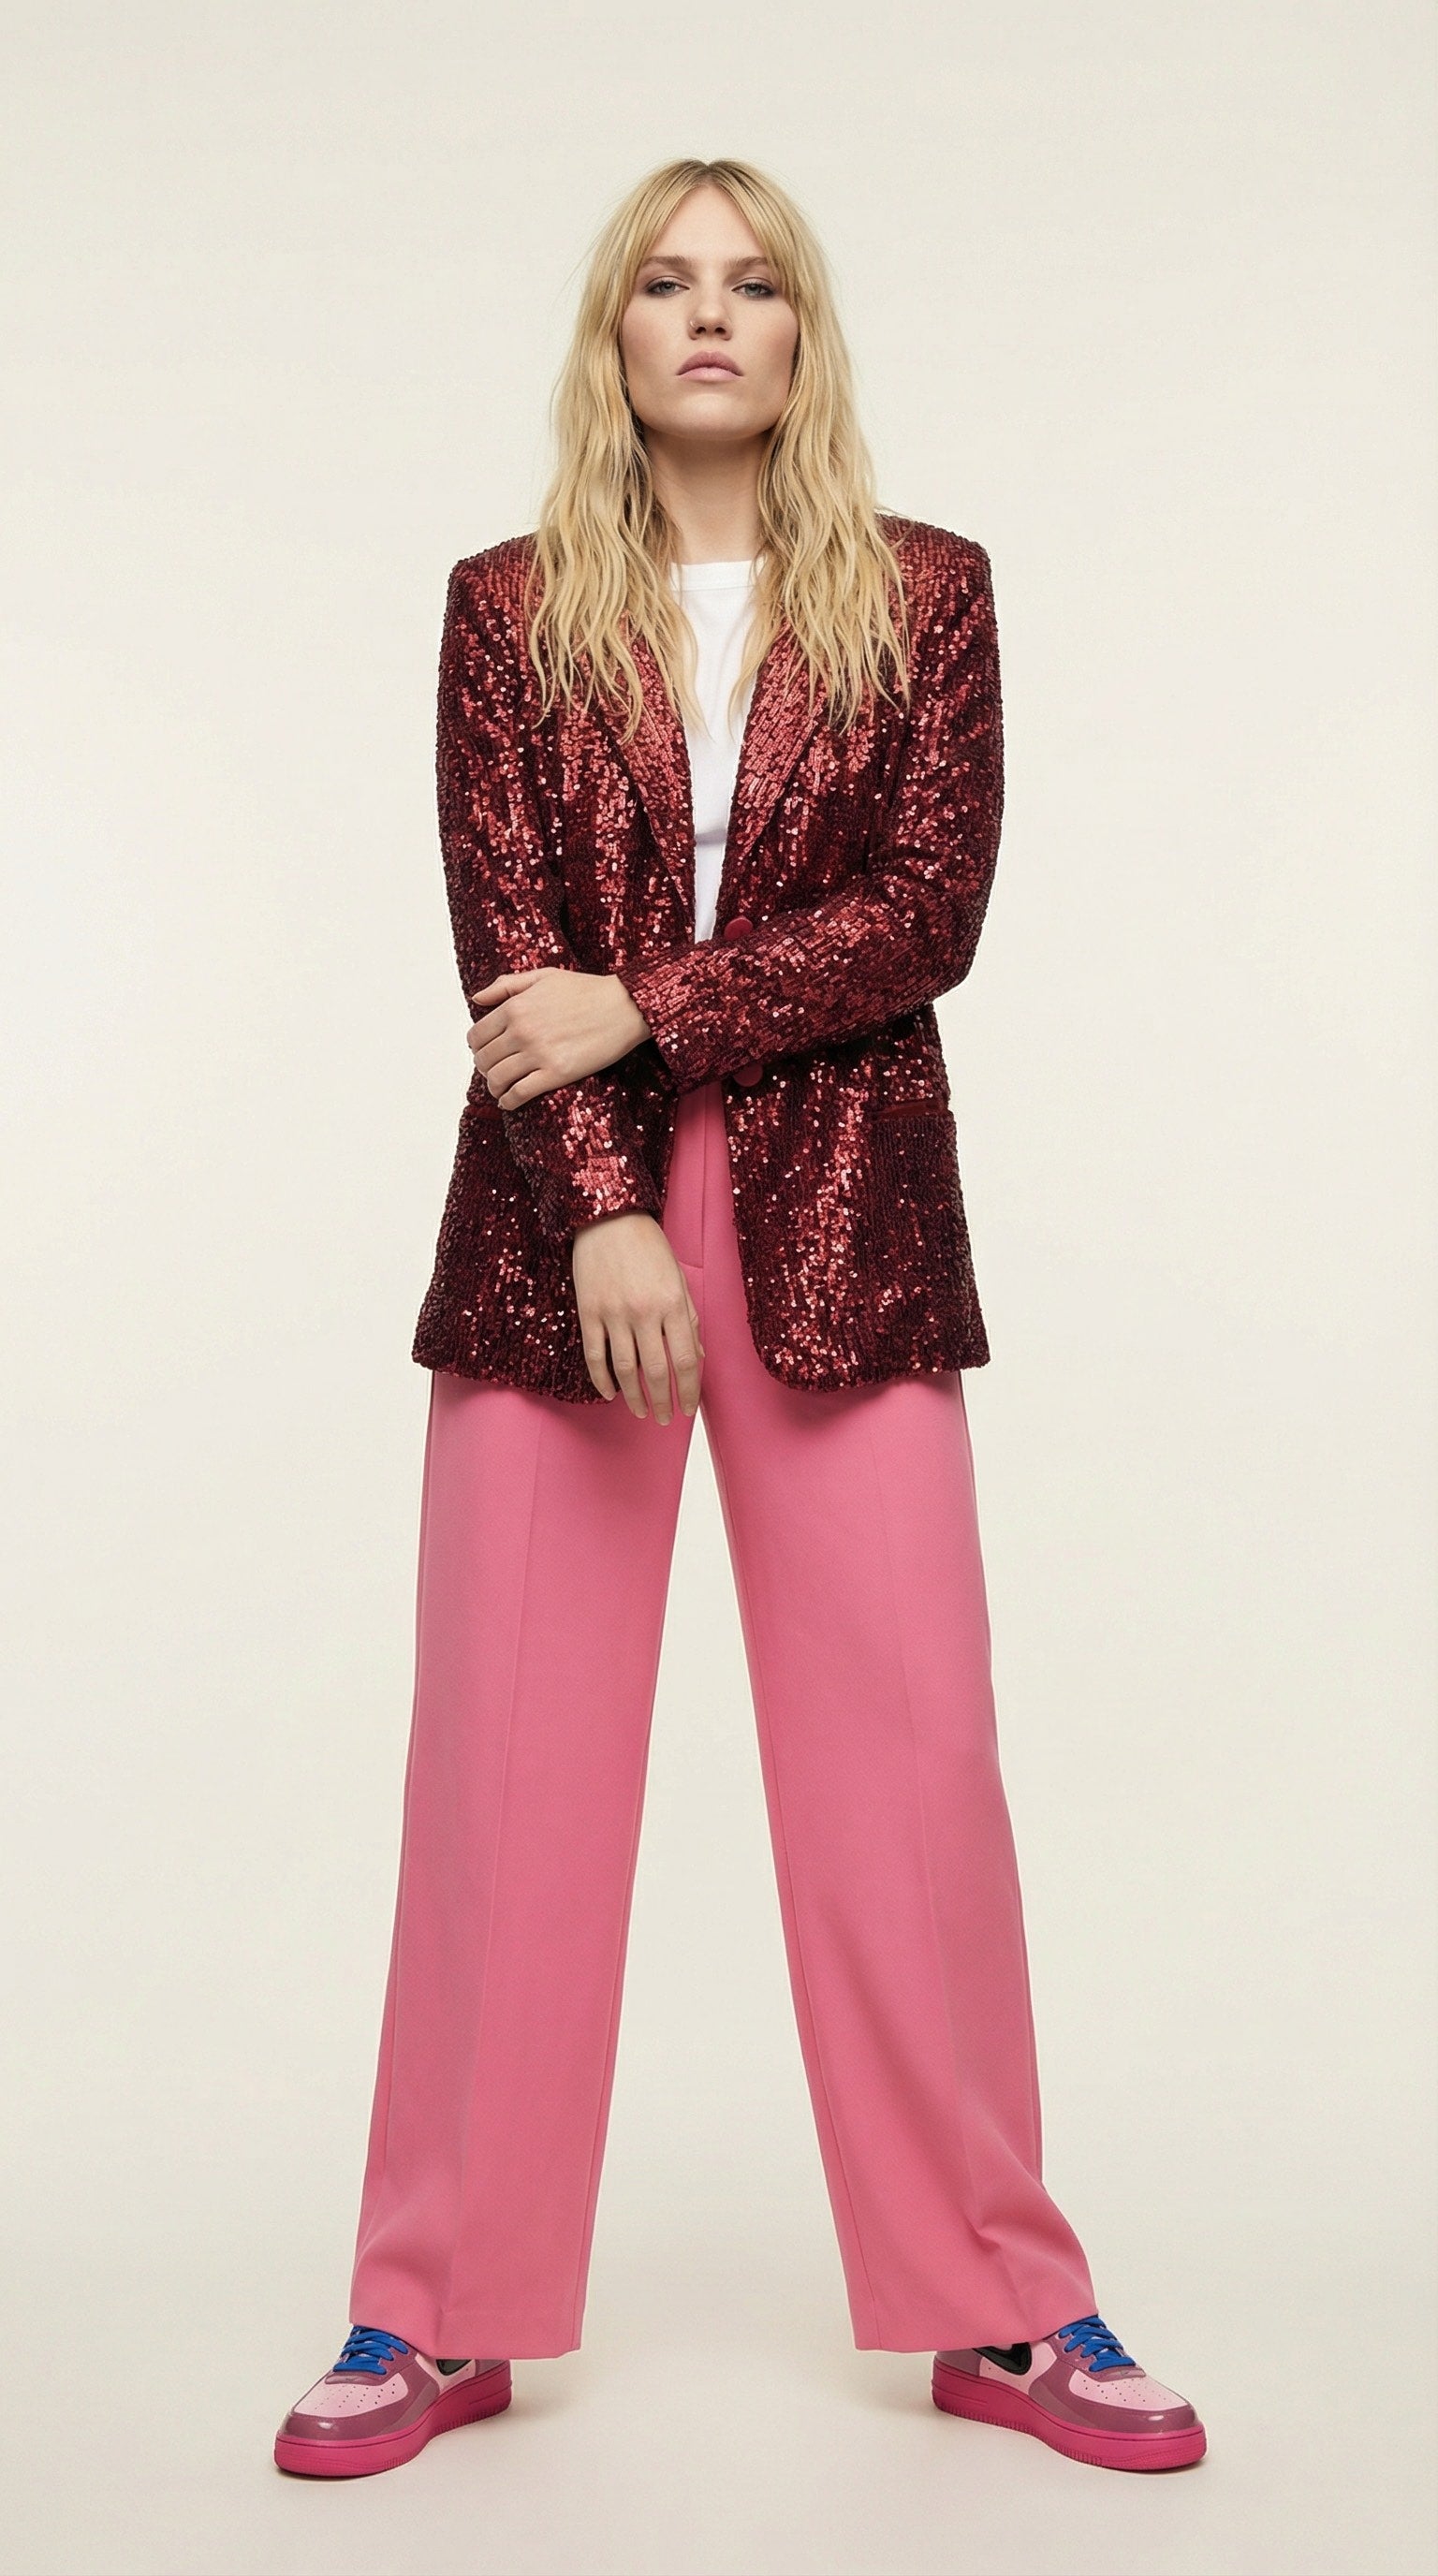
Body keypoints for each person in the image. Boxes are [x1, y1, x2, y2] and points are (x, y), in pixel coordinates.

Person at [274, 156, 1205, 2482]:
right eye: (668, 282)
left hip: (846, 1208)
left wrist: (652, 1008)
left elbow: (925, 912)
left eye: (755, 281)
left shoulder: (926, 590)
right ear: (615, 334)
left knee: (912, 1768)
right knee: (502, 1772)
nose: (712, 314)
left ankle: (1003, 2302)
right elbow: (508, 943)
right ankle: (431, 2307)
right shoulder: (506, 609)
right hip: (553, 1220)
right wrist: (606, 1205)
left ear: (804, 337)